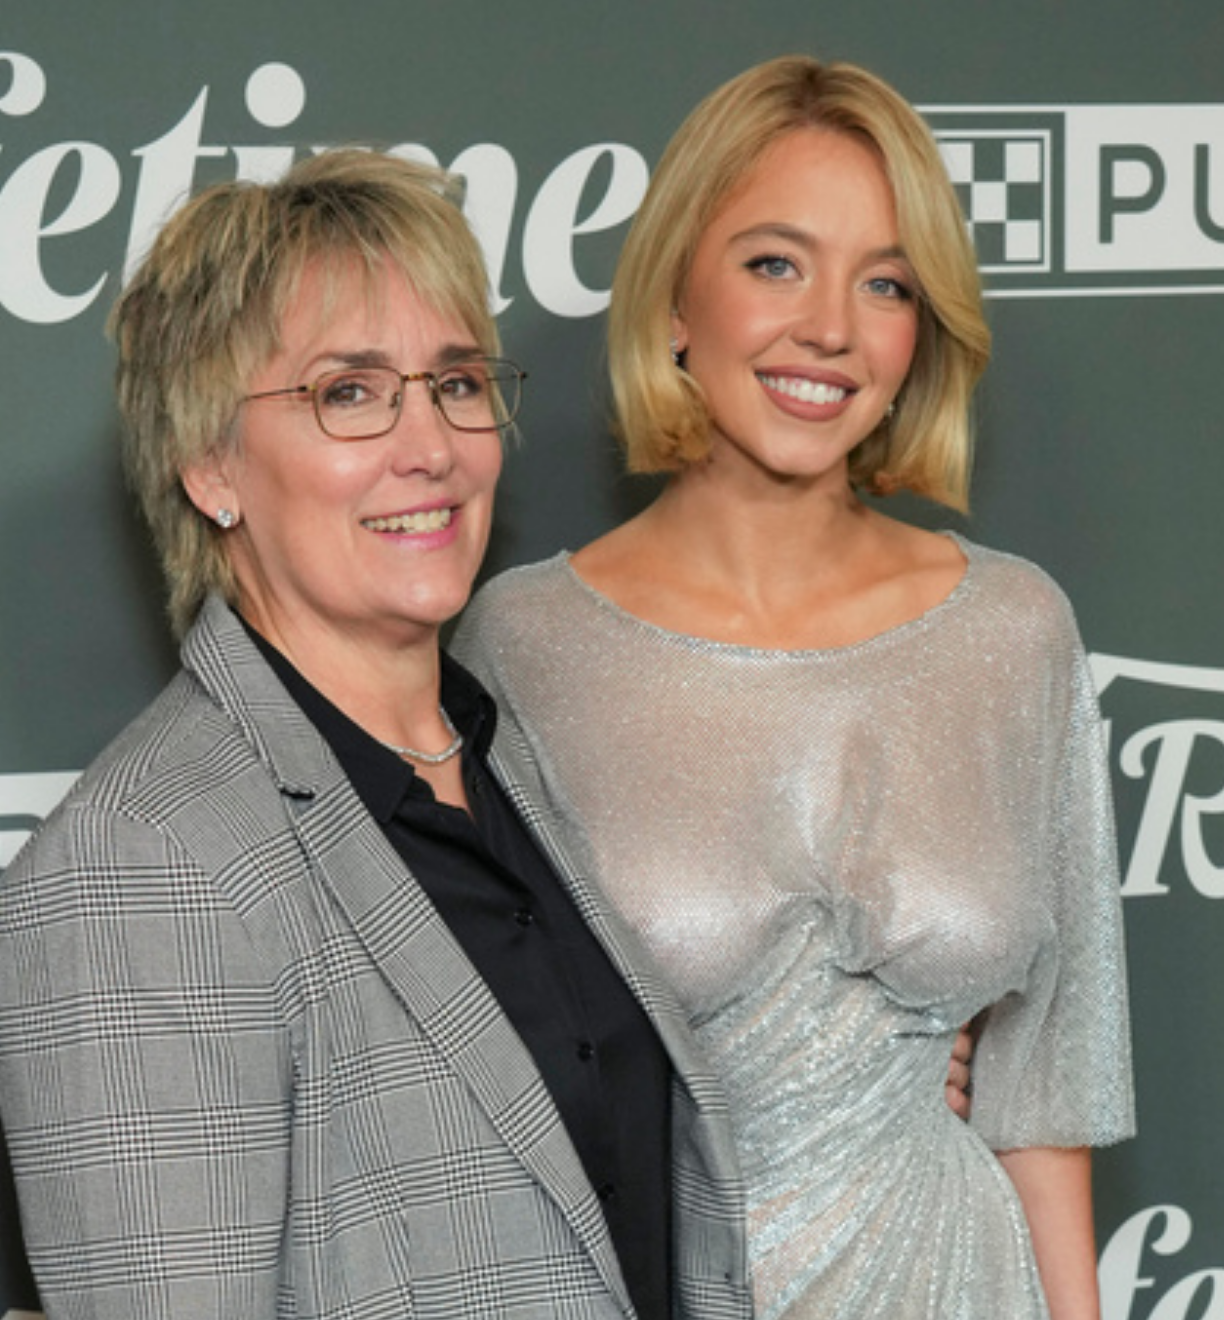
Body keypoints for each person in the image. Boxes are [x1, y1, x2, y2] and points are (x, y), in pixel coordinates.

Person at [0, 149, 754, 1320]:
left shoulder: (502, 757)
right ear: (211, 465)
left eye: (455, 381)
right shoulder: (133, 867)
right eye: (349, 392)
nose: (431, 445)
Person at [453, 56, 1134, 1320]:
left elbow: (1048, 1100)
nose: (831, 327)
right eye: (776, 263)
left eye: (887, 283)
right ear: (674, 300)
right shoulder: (524, 645)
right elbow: (485, 1082)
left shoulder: (1016, 630)